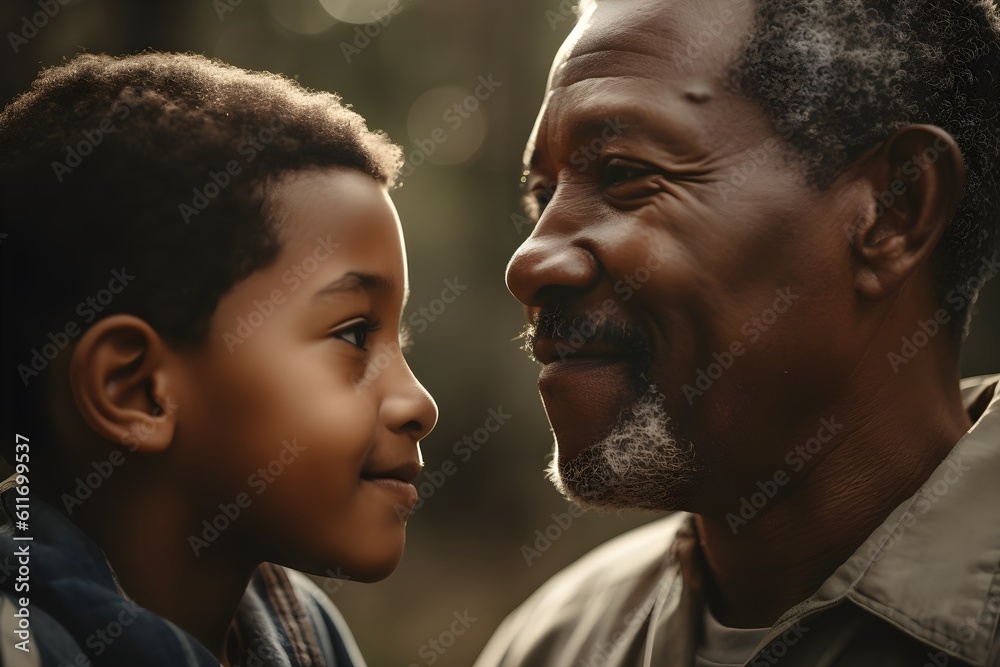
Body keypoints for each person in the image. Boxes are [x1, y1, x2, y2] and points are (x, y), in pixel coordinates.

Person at [475, 0, 1000, 665]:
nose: (529, 262)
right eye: (543, 195)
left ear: (894, 209)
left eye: (624, 174)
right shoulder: (553, 643)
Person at [0, 52, 437, 667]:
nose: (420, 403)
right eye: (353, 335)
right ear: (136, 388)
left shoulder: (311, 636)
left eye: (399, 343)